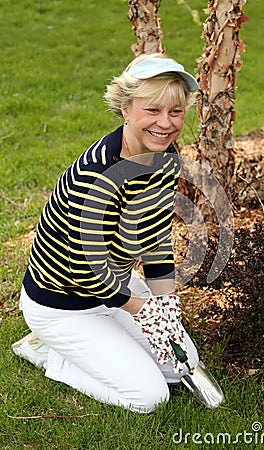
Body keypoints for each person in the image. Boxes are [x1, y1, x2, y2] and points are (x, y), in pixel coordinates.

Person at [12, 53, 200, 413]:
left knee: (180, 367)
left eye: (175, 112)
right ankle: (49, 353)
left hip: (115, 288)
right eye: (152, 110)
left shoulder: (165, 157)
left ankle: (102, 341)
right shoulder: (96, 177)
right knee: (148, 397)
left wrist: (165, 304)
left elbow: (156, 235)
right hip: (64, 303)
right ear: (125, 109)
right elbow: (84, 269)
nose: (165, 123)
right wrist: (141, 310)